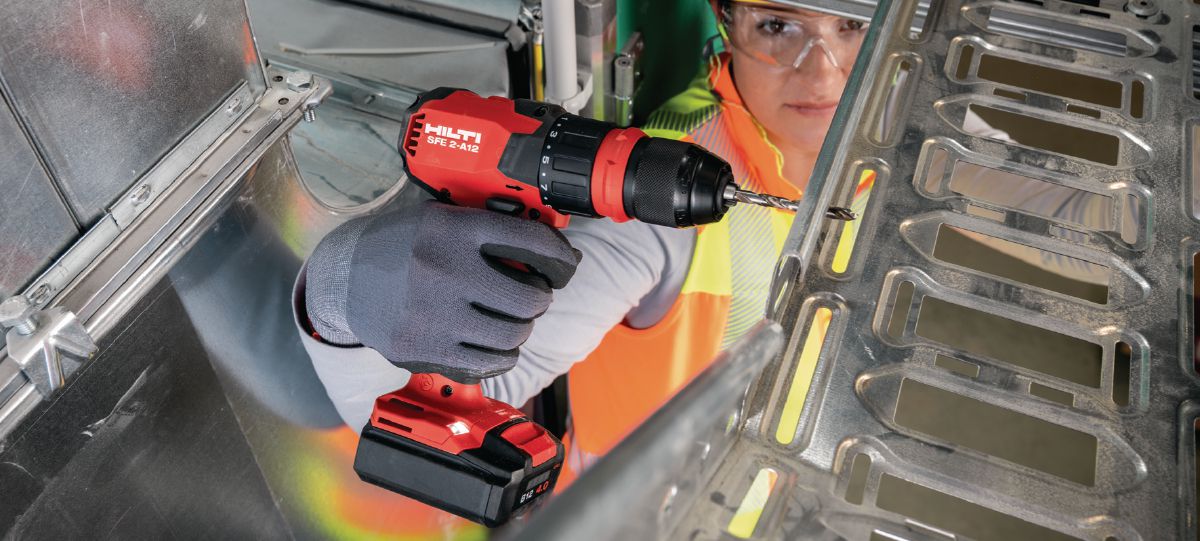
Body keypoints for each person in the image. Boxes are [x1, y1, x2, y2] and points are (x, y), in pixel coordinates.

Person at [295, 0, 875, 482]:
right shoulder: (655, 221)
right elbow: (418, 408)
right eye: (776, 25)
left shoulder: (884, 153)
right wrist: (339, 287)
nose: (821, 74)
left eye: (851, 24)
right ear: (724, 20)